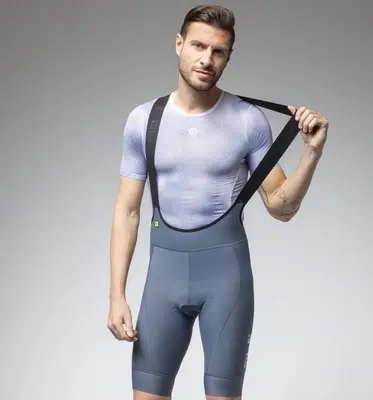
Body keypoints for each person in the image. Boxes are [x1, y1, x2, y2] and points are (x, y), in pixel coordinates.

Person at [108, 4, 329, 400]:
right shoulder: (144, 120)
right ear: (179, 44)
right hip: (162, 280)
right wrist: (116, 296)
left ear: (228, 56)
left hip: (226, 281)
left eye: (218, 51)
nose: (207, 59)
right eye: (198, 46)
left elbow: (281, 207)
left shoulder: (248, 121)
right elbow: (127, 212)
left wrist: (310, 154)